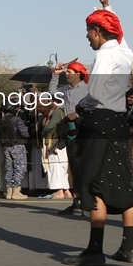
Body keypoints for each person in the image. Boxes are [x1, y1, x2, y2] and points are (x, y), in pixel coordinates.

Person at [63, 0, 133, 266]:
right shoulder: (125, 53)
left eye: (88, 32)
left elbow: (94, 93)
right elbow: (121, 35)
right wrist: (108, 7)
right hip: (119, 121)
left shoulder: (105, 56)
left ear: (97, 31)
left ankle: (95, 250)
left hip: (100, 122)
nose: (87, 37)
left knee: (94, 184)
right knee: (122, 183)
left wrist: (81, 105)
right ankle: (128, 246)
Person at [50, 60, 90, 214]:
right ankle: (77, 201)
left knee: (84, 166)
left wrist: (78, 115)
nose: (66, 74)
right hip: (70, 129)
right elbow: (52, 92)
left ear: (78, 74)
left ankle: (88, 202)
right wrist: (55, 75)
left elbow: (94, 106)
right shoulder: (65, 90)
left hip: (84, 129)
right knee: (74, 166)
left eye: (69, 72)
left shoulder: (87, 88)